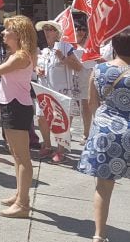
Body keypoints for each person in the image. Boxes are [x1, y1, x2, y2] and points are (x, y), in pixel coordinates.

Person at [78, 29, 130, 242]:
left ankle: (99, 235)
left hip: (105, 133)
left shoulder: (99, 70)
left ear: (114, 48)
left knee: (103, 187)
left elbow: (92, 104)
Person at [0, 15, 37, 218]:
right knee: (16, 154)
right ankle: (19, 194)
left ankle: (23, 204)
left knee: (22, 157)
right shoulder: (16, 54)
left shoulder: (21, 56)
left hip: (17, 106)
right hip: (11, 104)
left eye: (8, 30)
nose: (4, 33)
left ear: (19, 34)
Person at [35, 20, 83, 163]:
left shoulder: (65, 47)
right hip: (44, 90)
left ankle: (60, 150)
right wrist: (37, 70)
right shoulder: (44, 50)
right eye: (45, 29)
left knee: (61, 120)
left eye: (50, 29)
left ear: (56, 32)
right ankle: (47, 145)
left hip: (61, 91)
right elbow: (37, 67)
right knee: (41, 118)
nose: (47, 31)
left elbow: (78, 67)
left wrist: (62, 57)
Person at [74, 22, 97, 144]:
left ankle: (86, 133)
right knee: (70, 108)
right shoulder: (68, 43)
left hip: (86, 77)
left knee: (87, 106)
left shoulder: (90, 43)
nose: (81, 32)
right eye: (78, 29)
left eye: (83, 29)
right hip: (71, 79)